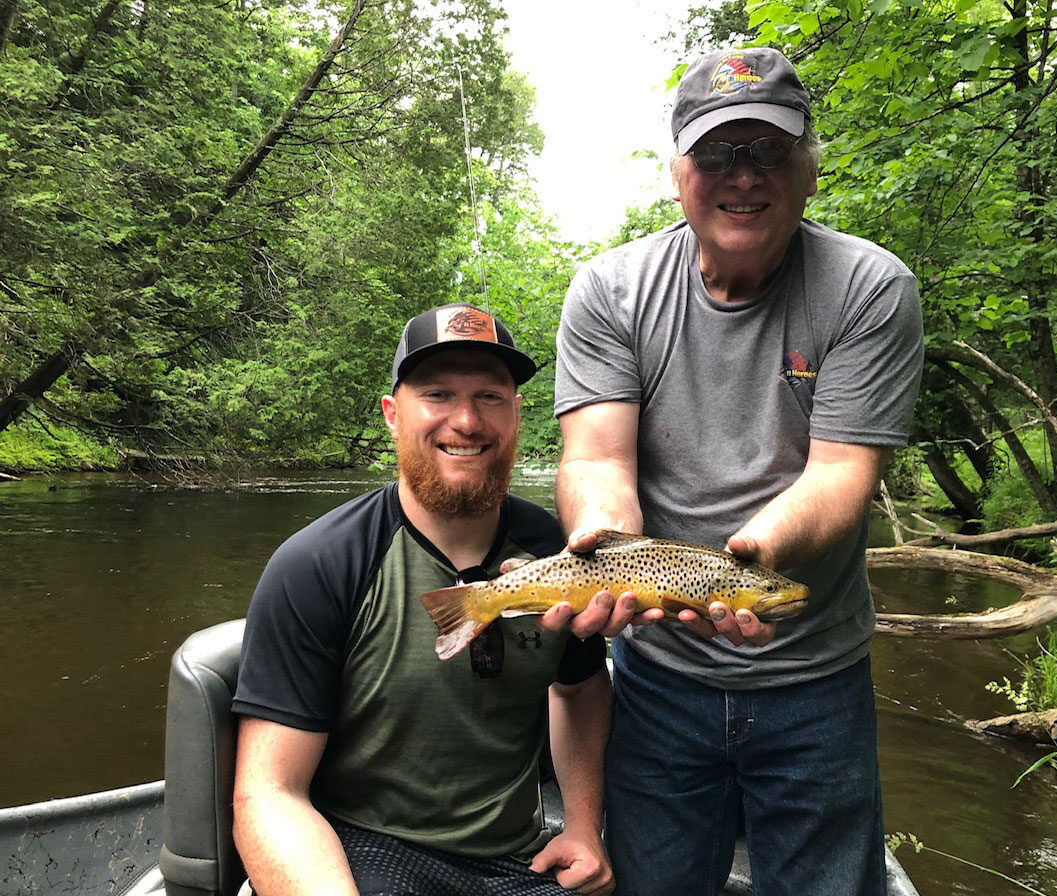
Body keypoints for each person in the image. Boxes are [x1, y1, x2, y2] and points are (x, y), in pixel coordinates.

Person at [550, 47, 924, 896]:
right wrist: (601, 548)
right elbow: (597, 459)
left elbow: (839, 476)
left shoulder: (869, 288)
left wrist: (750, 558)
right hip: (655, 679)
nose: (742, 176)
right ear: (678, 174)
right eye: (717, 153)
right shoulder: (610, 291)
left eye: (768, 151)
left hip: (816, 682)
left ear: (810, 170)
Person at [231, 302, 615, 896]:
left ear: (517, 415)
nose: (466, 421)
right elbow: (269, 792)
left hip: (516, 856)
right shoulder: (320, 564)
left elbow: (581, 685)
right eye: (437, 394)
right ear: (392, 413)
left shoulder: (558, 549)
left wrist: (585, 827)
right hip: (363, 848)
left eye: (490, 397)